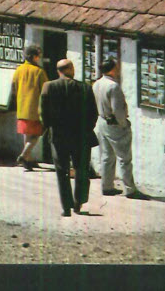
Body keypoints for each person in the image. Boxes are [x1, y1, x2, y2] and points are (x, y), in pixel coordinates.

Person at [39, 59, 99, 217]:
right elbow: (93, 113)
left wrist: (49, 127)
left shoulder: (49, 87)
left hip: (59, 135)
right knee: (82, 169)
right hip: (81, 135)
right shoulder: (85, 88)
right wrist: (87, 128)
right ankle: (78, 202)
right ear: (71, 69)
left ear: (58, 71)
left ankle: (66, 207)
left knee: (62, 170)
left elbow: (43, 111)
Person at [92, 58, 148, 200]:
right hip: (114, 124)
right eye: (115, 68)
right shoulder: (113, 86)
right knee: (124, 158)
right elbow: (118, 110)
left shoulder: (97, 84)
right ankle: (130, 189)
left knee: (107, 156)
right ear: (111, 69)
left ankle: (107, 186)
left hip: (102, 121)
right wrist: (124, 124)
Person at [12, 44, 48, 170]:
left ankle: (28, 160)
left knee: (26, 135)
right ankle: (24, 155)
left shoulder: (19, 69)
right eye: (38, 56)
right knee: (38, 133)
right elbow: (45, 90)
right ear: (33, 57)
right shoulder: (39, 72)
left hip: (22, 106)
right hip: (35, 108)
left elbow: (14, 87)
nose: (39, 58)